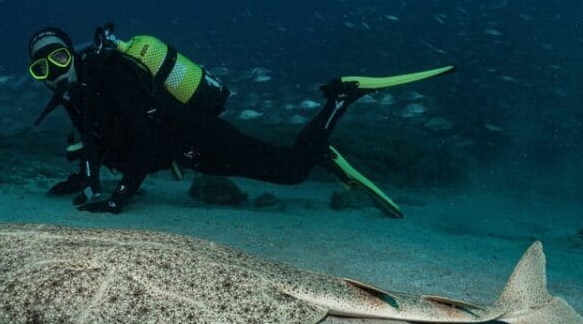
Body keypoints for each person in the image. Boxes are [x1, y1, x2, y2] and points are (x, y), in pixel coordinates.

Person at [27, 24, 453, 216]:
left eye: (59, 58)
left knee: (289, 172)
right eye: (42, 68)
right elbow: (91, 137)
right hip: (188, 150)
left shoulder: (113, 76)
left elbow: (146, 142)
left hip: (197, 137)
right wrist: (81, 180)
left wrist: (119, 197)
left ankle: (340, 98)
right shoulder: (77, 93)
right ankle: (320, 149)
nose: (55, 71)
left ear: (72, 53)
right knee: (283, 164)